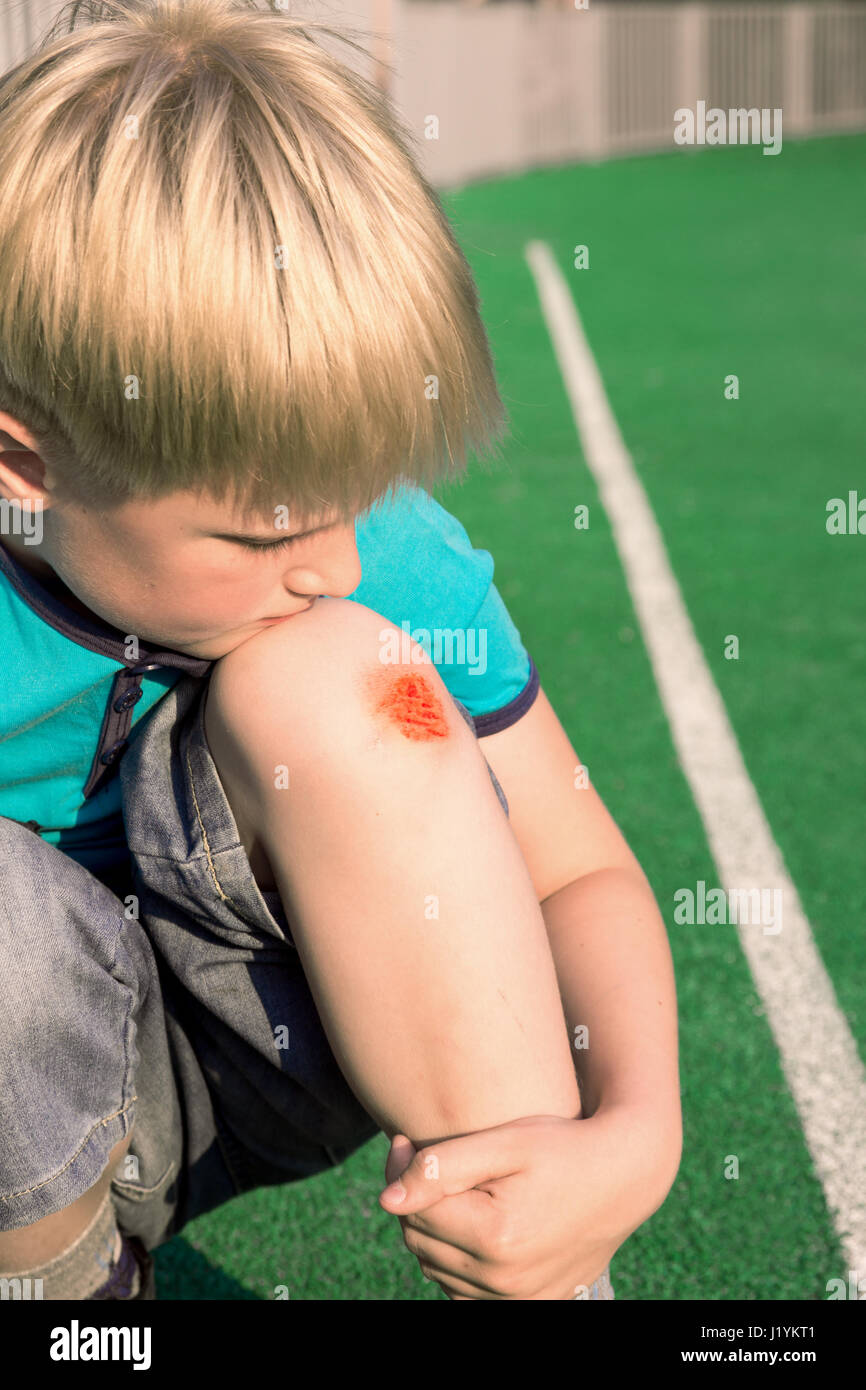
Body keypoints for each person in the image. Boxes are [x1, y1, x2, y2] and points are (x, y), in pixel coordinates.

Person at [0, 0, 681, 1302]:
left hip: (275, 1044)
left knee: (340, 680)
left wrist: (633, 1137)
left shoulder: (378, 555)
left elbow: (577, 865)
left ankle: (536, 1272)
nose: (337, 565)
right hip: (24, 1104)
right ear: (25, 458)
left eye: (349, 499)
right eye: (266, 530)